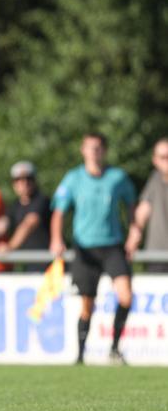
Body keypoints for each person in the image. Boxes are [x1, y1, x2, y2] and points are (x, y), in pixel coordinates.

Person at [50, 132, 136, 365]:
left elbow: (131, 205)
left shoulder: (117, 178)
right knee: (87, 304)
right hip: (85, 248)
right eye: (90, 147)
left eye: (98, 148)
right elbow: (59, 211)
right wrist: (57, 238)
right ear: (83, 150)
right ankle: (80, 355)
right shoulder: (73, 178)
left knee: (126, 296)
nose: (94, 152)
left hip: (112, 246)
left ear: (104, 151)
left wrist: (134, 233)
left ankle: (115, 349)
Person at [0, 161, 51, 271]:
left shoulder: (42, 201)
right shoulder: (15, 206)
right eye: (18, 179)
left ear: (34, 180)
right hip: (29, 267)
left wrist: (10, 247)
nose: (24, 183)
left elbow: (28, 224)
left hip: (49, 266)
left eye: (28, 178)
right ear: (14, 184)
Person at [126, 138, 168, 272]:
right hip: (157, 254)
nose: (167, 160)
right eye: (163, 157)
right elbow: (143, 210)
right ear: (155, 160)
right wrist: (133, 238)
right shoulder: (155, 179)